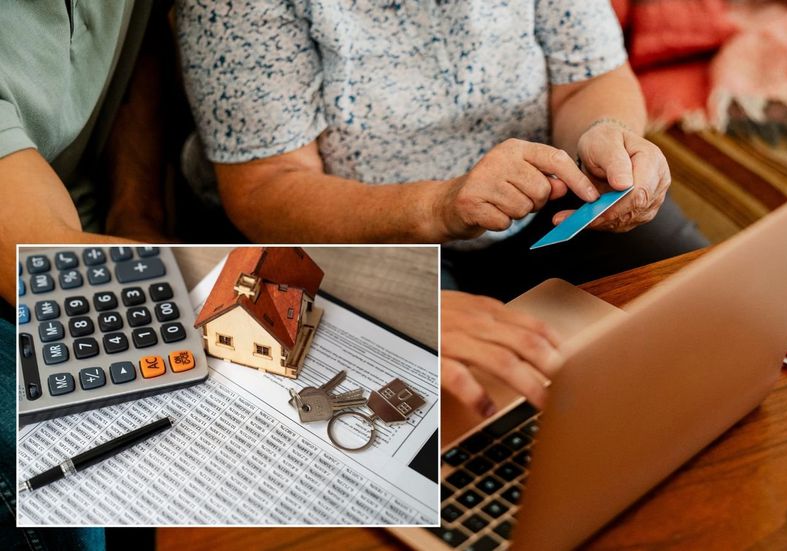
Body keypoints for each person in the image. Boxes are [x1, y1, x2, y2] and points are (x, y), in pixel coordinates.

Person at [175, 0, 708, 416]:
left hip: (554, 200)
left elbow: (591, 79)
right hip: (367, 234)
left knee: (713, 306)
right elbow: (265, 186)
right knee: (463, 416)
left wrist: (605, 136)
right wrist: (440, 205)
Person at [0, 2, 173, 544]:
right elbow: (39, 262)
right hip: (36, 250)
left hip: (75, 232)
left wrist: (137, 212)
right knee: (66, 505)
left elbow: (136, 46)